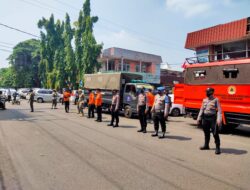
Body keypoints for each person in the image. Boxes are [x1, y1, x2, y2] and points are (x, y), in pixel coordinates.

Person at [197, 88, 222, 155]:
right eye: (206, 92)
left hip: (212, 118)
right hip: (205, 118)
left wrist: (219, 119)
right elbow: (201, 109)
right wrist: (199, 118)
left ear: (211, 92)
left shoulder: (216, 100)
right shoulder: (204, 100)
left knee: (215, 133)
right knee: (206, 132)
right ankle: (206, 145)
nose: (206, 93)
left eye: (207, 92)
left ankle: (217, 147)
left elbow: (219, 111)